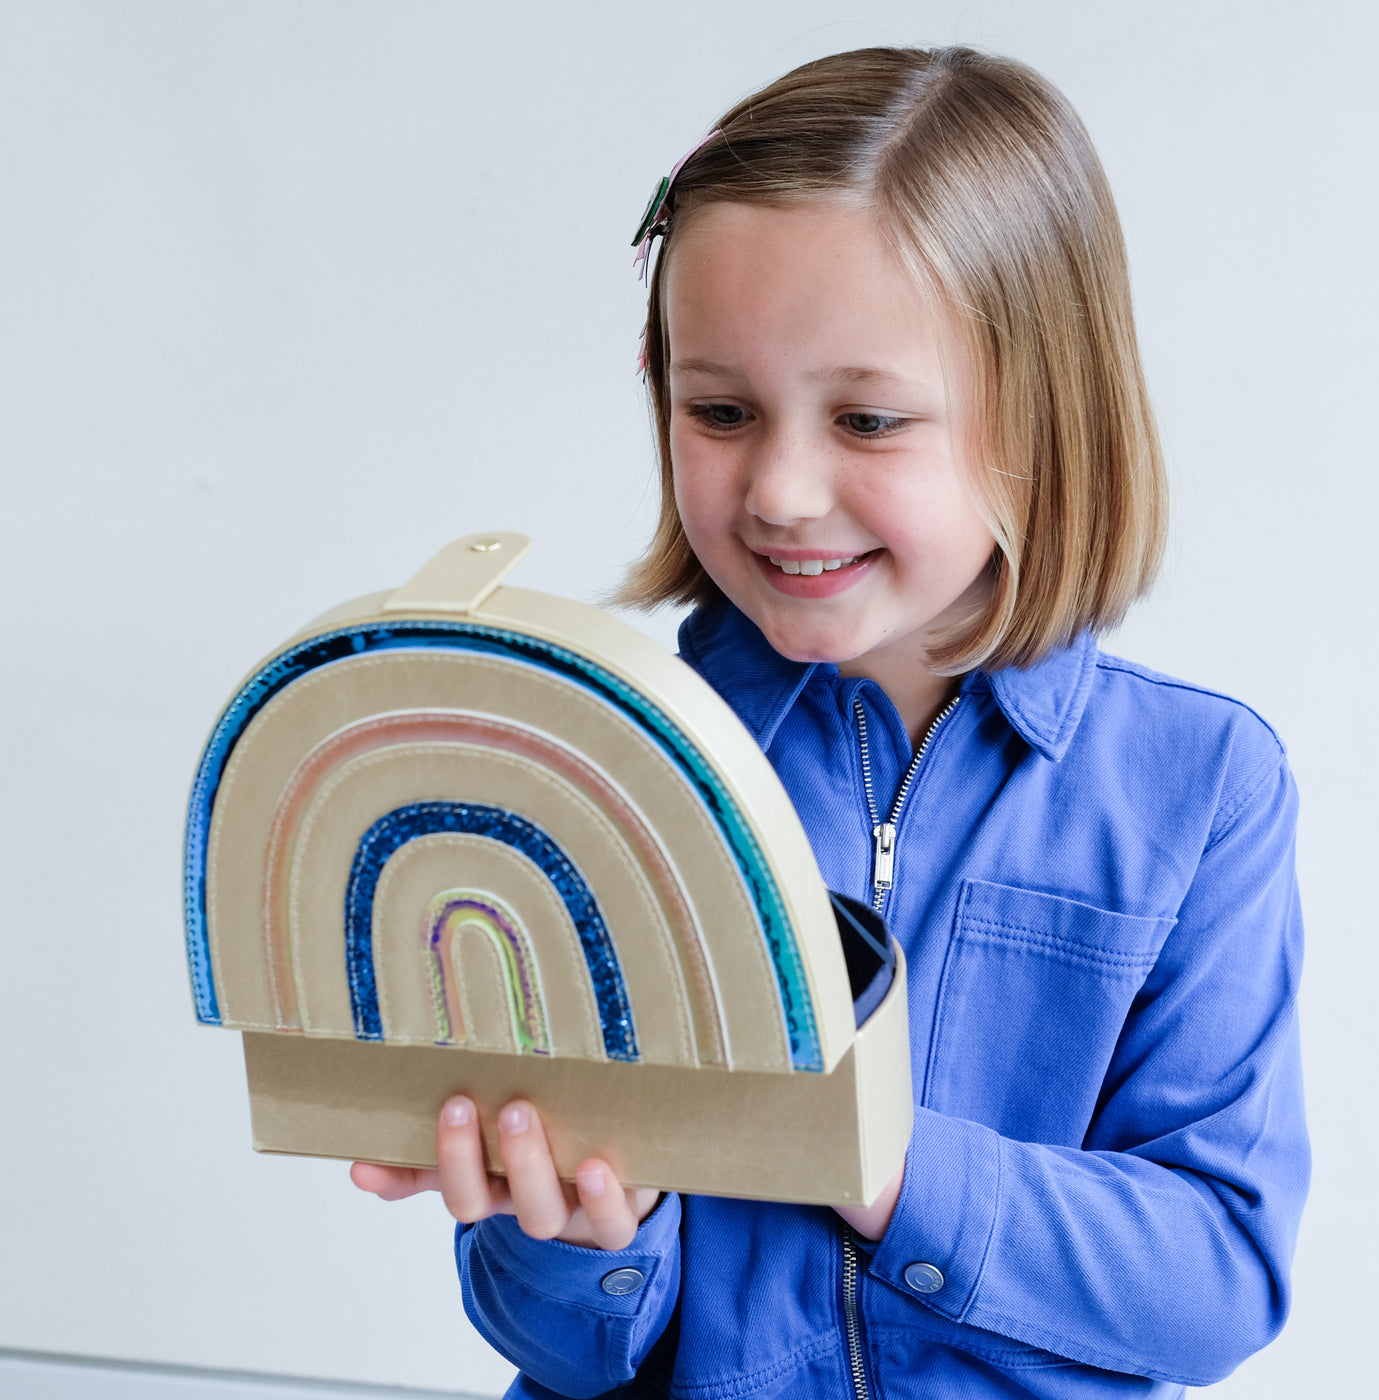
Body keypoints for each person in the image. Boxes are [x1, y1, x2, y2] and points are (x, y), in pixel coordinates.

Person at [351, 46, 1308, 1398]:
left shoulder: (1201, 788)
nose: (784, 491)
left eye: (867, 418)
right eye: (721, 411)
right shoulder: (610, 764)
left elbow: (1215, 1276)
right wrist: (570, 1239)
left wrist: (875, 1157)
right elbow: (567, 1344)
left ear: (1041, 417)